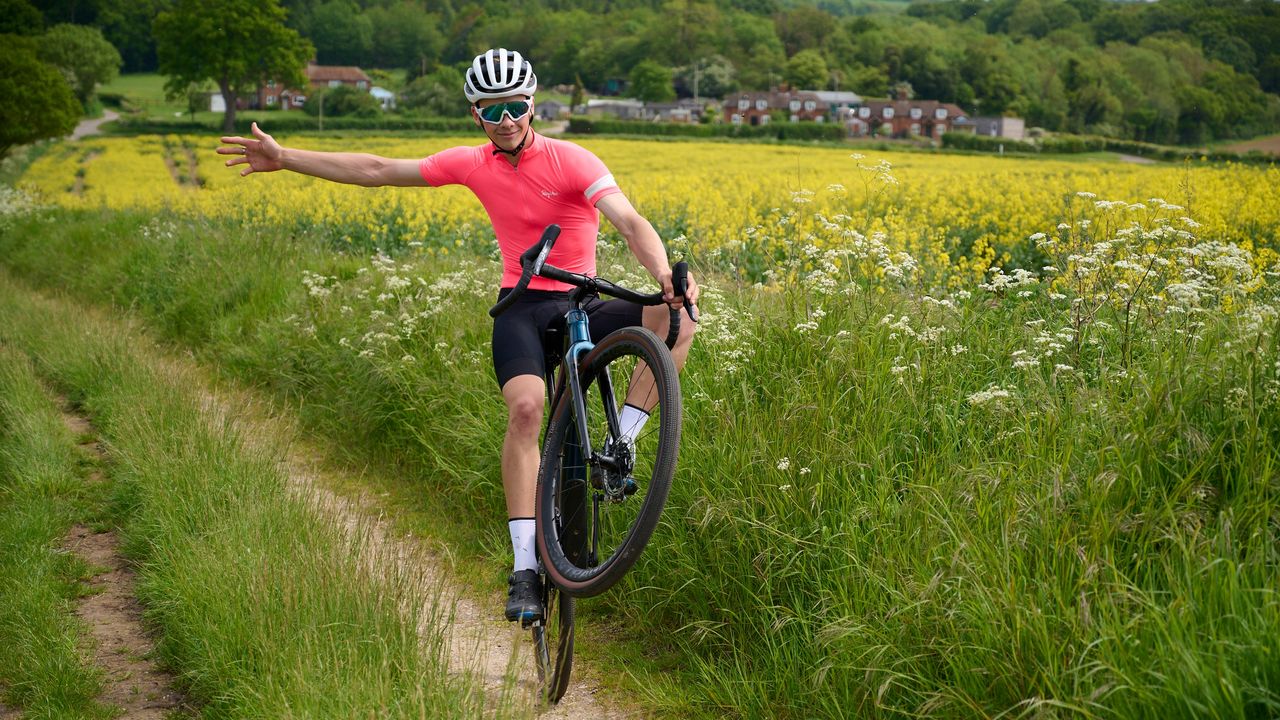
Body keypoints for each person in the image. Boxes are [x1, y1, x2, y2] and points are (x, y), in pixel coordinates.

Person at [218, 48, 698, 623]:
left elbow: (628, 220)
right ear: (477, 117)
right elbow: (376, 170)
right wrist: (286, 158)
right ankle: (524, 567)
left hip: (582, 300)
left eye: (516, 107)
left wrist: (665, 278)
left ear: (532, 103)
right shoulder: (472, 164)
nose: (507, 121)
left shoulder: (572, 160)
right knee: (525, 410)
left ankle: (621, 447)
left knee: (679, 317)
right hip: (521, 306)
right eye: (492, 112)